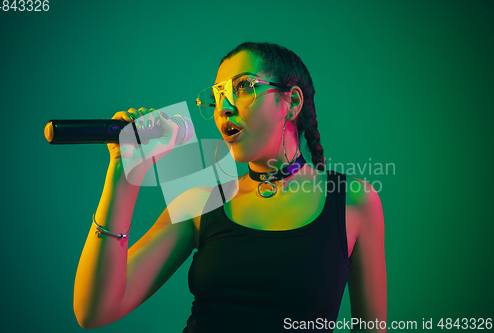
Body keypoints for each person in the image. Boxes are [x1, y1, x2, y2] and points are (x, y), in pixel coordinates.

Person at [73, 42, 387, 332]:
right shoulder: (200, 202)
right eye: (217, 96)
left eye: (242, 87)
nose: (223, 107)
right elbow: (95, 311)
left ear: (291, 103)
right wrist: (124, 173)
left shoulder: (353, 201)